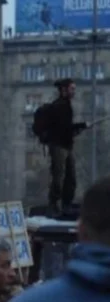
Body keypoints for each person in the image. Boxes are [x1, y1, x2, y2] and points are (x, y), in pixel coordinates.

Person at [44, 78, 89, 216]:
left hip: (67, 146)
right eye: (72, 89)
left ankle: (66, 204)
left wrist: (76, 130)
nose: (74, 91)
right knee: (59, 177)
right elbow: (62, 128)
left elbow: (66, 129)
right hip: (58, 146)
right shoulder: (58, 106)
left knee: (71, 177)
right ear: (64, 90)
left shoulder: (67, 105)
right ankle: (53, 205)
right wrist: (81, 126)